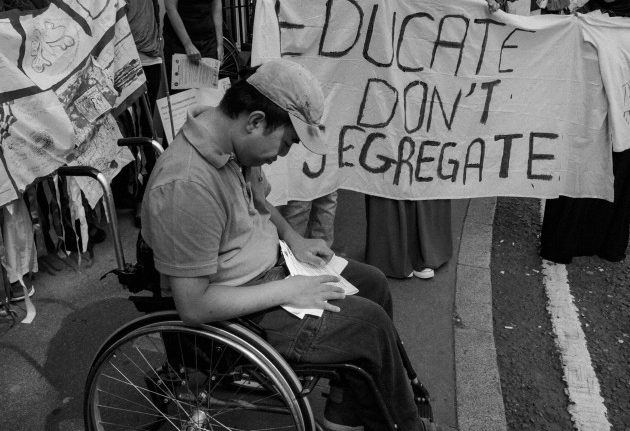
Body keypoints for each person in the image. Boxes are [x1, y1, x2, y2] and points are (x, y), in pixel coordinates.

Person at [141, 59, 446, 431]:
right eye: (286, 143)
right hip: (241, 307)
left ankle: (345, 410)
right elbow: (193, 305)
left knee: (373, 284)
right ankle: (406, 426)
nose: (283, 155)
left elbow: (260, 202)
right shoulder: (186, 187)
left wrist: (294, 238)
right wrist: (287, 289)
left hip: (273, 269)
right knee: (370, 326)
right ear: (255, 121)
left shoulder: (230, 145)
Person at [373, 0, 497, 280]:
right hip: (389, 95)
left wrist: (489, 10)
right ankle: (392, 252)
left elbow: (470, 39)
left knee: (425, 167)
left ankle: (425, 251)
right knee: (389, 166)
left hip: (433, 98)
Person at [540, 0, 630, 264]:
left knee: (613, 176)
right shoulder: (580, 19)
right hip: (582, 115)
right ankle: (565, 242)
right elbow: (542, 40)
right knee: (575, 175)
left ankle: (603, 241)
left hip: (620, 118)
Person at [260, 0, 346, 247]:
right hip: (293, 110)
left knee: (327, 195)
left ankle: (324, 263)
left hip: (331, 105)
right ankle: (294, 265)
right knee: (298, 196)